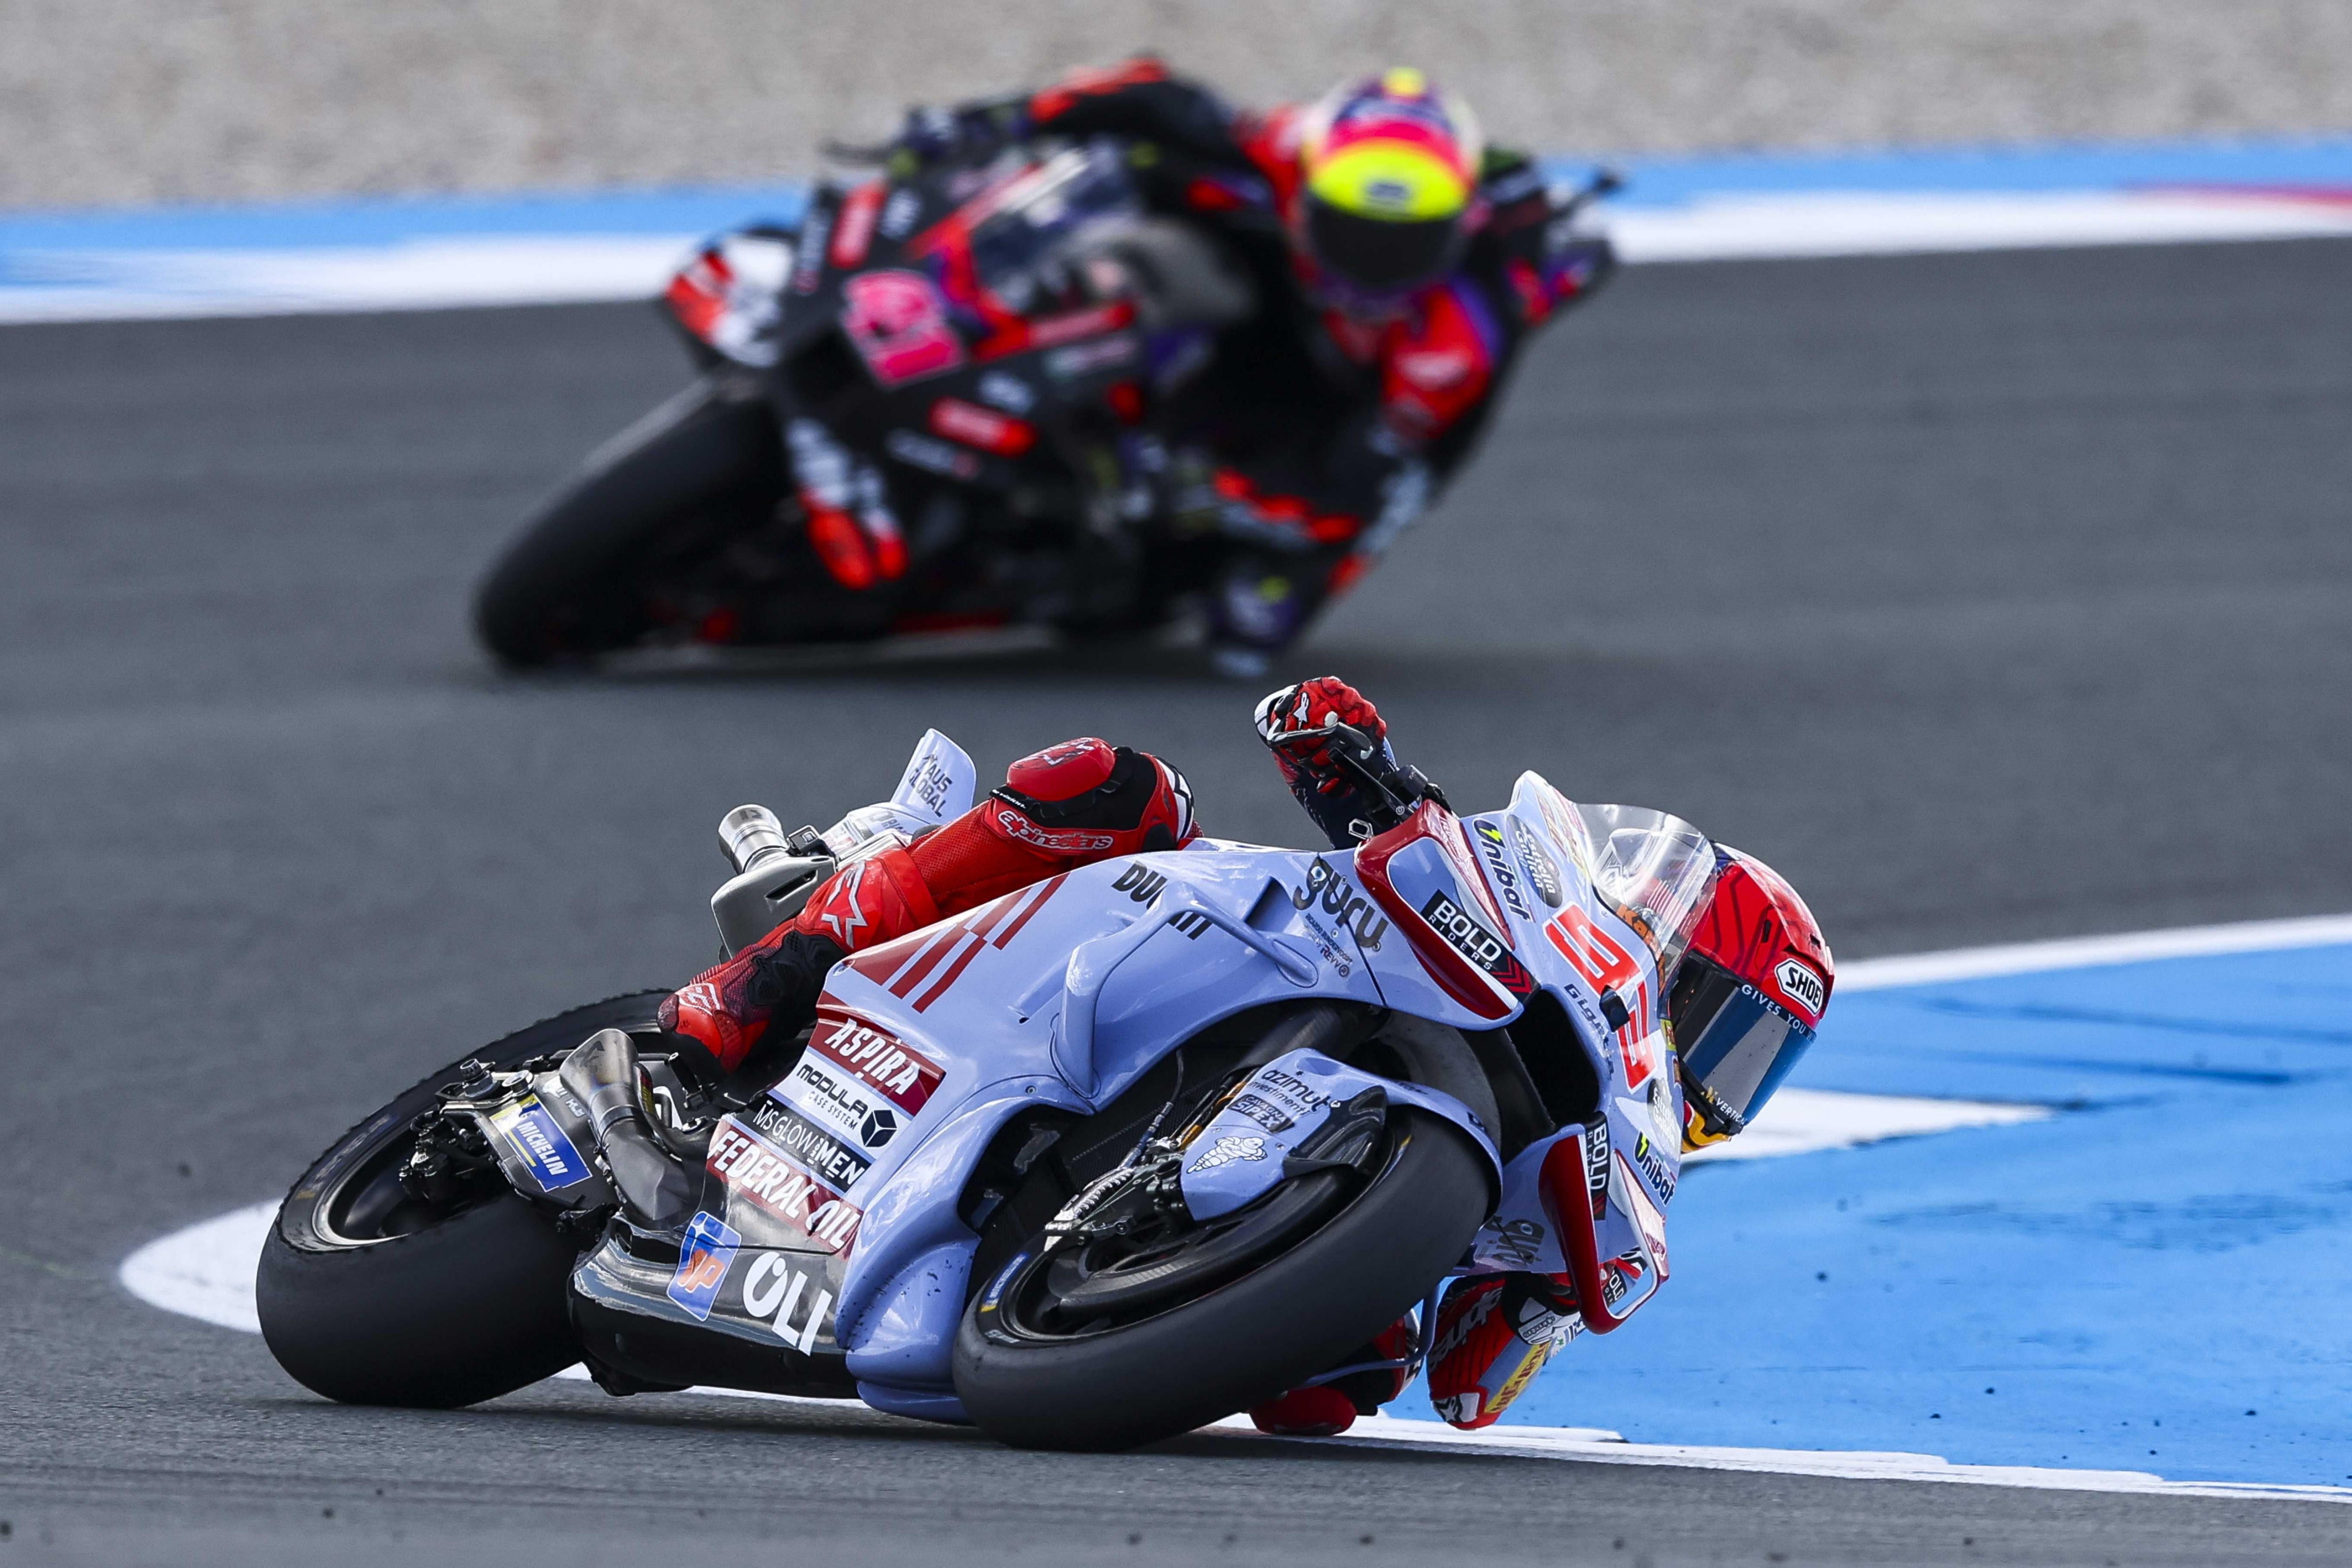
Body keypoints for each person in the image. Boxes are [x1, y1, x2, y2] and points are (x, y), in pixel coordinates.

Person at [659, 676, 1833, 1434]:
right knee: (1118, 785)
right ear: (1670, 939)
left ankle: (1088, 1250)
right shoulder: (1509, 892)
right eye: (1725, 1022)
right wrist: (1355, 757)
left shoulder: (1611, 1182)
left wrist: (1497, 1302)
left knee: (1339, 1385)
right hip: (1168, 934)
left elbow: (1469, 1386)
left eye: (1751, 1063)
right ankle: (787, 956)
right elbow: (1348, 779)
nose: (1719, 1069)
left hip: (1152, 1276)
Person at [821, 60, 1616, 676]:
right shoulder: (1279, 152)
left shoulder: (1455, 336)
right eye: (1354, 231)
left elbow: (1353, 482)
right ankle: (971, 319)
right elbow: (1152, 95)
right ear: (1309, 187)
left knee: (1253, 626)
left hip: (1371, 407)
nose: (1374, 267)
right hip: (1276, 291)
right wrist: (986, 121)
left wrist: (1218, 494)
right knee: (1128, 173)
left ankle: (1207, 524)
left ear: (1458, 228)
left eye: (1402, 245)